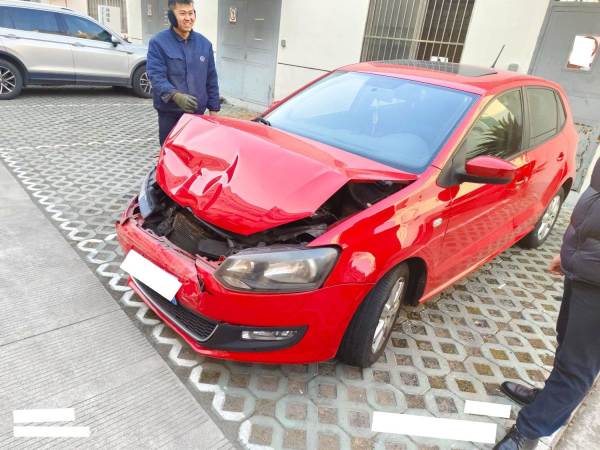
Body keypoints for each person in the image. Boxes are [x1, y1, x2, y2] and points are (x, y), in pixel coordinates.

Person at [494, 157, 600, 450]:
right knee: (566, 344)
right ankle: (548, 400)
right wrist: (569, 257)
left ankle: (529, 431)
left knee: (578, 366)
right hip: (584, 269)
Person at [146, 0, 220, 146]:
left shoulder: (205, 45)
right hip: (170, 116)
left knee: (195, 154)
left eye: (191, 13)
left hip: (197, 117)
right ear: (171, 16)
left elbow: (211, 80)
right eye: (182, 13)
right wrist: (175, 95)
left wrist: (214, 110)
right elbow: (156, 75)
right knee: (171, 154)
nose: (188, 18)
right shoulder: (158, 43)